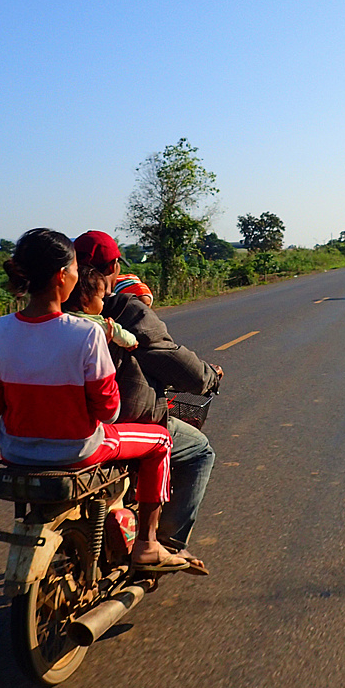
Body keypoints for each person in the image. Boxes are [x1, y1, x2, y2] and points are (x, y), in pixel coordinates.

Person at [0, 228, 187, 572]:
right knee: (161, 441)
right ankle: (147, 544)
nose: (79, 275)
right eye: (75, 268)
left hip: (14, 451)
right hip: (79, 450)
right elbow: (109, 409)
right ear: (62, 276)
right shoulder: (88, 333)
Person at [74, 230, 220, 576]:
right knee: (199, 450)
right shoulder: (121, 310)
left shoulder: (51, 310)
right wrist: (208, 377)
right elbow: (166, 356)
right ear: (112, 267)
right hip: (116, 424)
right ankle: (162, 544)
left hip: (54, 425)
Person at [63, 264, 138, 350]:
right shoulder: (97, 323)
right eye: (101, 298)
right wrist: (133, 341)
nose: (102, 303)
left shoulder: (62, 318)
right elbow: (122, 336)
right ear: (85, 301)